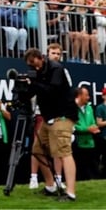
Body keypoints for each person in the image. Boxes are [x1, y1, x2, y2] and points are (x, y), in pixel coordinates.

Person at [24, 46, 79, 200]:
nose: (34, 67)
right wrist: (25, 88)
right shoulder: (37, 72)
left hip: (62, 116)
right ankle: (50, 186)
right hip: (48, 117)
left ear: (41, 58)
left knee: (63, 152)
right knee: (38, 149)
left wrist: (33, 83)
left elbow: (51, 91)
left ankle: (70, 192)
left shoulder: (56, 69)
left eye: (36, 64)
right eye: (31, 65)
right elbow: (34, 92)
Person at [72, 86, 98, 181]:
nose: (88, 97)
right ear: (79, 95)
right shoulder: (72, 109)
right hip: (78, 144)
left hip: (90, 143)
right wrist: (87, 129)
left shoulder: (89, 108)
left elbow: (93, 123)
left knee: (93, 168)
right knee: (80, 170)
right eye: (86, 95)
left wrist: (93, 128)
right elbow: (73, 126)